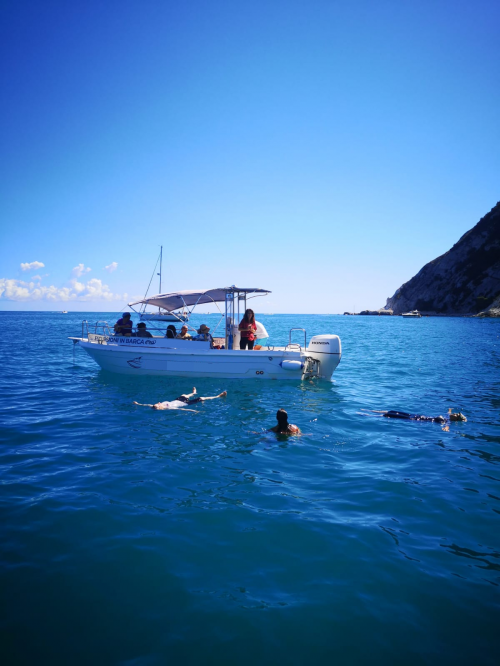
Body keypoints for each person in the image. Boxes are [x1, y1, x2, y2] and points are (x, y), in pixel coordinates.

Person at [133, 387, 227, 412]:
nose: (158, 402)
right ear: (160, 406)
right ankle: (218, 396)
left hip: (178, 400)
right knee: (202, 398)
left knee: (184, 394)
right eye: (158, 404)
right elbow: (181, 409)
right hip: (186, 404)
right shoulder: (169, 408)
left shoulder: (157, 405)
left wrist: (138, 404)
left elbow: (147, 405)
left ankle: (193, 393)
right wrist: (193, 410)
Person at [374, 408, 467, 424]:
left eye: (456, 415)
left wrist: (446, 428)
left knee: (389, 415)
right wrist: (449, 410)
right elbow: (448, 413)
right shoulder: (447, 418)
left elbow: (446, 427)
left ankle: (367, 415)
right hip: (416, 415)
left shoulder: (446, 422)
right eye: (456, 413)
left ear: (456, 419)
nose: (454, 414)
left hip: (415, 419)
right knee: (393, 411)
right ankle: (372, 410)